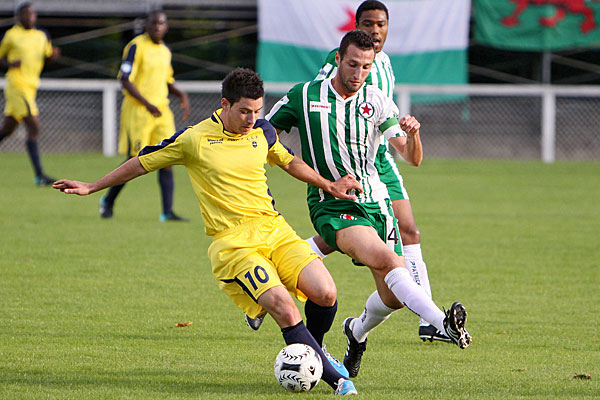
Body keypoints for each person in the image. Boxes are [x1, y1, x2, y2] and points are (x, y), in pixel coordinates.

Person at [53, 67, 360, 395]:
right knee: (285, 308)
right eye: (243, 111)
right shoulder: (194, 139)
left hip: (274, 229)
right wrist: (93, 186)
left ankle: (314, 349)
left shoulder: (264, 131)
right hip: (232, 244)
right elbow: (142, 162)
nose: (251, 119)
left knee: (326, 293)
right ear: (224, 104)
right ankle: (339, 382)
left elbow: (287, 161)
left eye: (257, 111)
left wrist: (329, 184)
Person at [266, 30, 472, 378]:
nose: (358, 73)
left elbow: (411, 157)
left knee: (391, 297)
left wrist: (414, 133)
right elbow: (264, 136)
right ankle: (441, 323)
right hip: (330, 206)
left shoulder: (376, 100)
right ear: (337, 59)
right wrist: (313, 177)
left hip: (375, 205)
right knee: (392, 260)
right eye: (352, 64)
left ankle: (355, 331)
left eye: (365, 66)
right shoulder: (304, 95)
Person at [314, 0, 449, 343]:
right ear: (356, 26)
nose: (375, 31)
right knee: (352, 237)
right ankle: (431, 319)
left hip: (381, 160)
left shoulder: (385, 64)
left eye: (381, 25)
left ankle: (427, 320)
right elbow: (322, 101)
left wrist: (403, 130)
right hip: (352, 163)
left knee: (408, 231)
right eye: (369, 24)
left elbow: (381, 109)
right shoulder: (339, 60)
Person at [99, 10, 190, 221]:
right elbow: (125, 79)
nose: (158, 26)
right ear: (147, 25)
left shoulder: (165, 51)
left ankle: (167, 212)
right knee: (134, 159)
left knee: (168, 157)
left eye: (162, 23)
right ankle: (107, 200)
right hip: (139, 111)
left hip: (162, 112)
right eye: (154, 23)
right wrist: (147, 104)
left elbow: (167, 80)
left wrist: (181, 94)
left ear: (166, 27)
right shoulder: (135, 46)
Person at [0, 2, 60, 186]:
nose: (30, 17)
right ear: (19, 17)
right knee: (34, 127)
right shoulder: (11, 35)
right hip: (17, 86)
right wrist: (10, 65)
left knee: (7, 130)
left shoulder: (42, 36)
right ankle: (39, 176)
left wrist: (52, 57)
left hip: (31, 87)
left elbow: (47, 56)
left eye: (32, 14)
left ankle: (39, 176)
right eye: (26, 14)